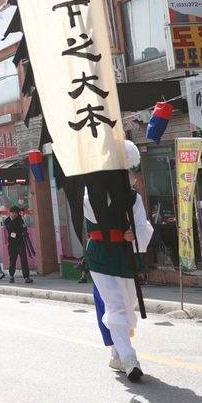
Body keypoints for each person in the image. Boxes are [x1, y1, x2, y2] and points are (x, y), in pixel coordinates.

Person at [86, 140, 154, 382]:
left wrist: (134, 234)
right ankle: (129, 358)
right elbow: (91, 213)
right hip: (101, 255)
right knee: (115, 303)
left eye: (128, 171)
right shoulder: (92, 193)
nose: (129, 176)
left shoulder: (133, 197)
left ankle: (117, 353)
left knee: (128, 304)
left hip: (126, 255)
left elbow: (143, 226)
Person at [4, 206, 34, 284]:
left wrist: (24, 228)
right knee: (12, 260)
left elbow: (22, 229)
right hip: (12, 244)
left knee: (24, 260)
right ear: (10, 213)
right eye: (13, 213)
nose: (14, 214)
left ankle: (26, 277)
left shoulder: (19, 220)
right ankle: (11, 276)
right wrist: (12, 220)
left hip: (20, 242)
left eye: (16, 213)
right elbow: (9, 228)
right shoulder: (7, 220)